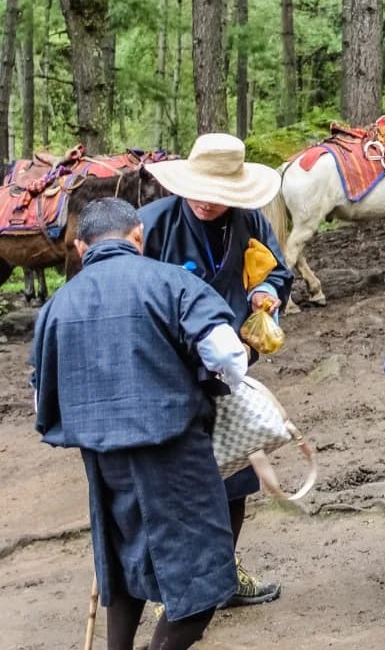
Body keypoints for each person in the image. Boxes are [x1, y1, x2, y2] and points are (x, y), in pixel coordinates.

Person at [31, 198, 248, 650]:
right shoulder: (171, 282)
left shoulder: (55, 307)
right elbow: (227, 355)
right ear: (137, 238)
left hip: (104, 463)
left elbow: (42, 400)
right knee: (202, 587)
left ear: (79, 247)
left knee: (125, 569)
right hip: (175, 455)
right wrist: (218, 382)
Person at [140, 134, 293, 607]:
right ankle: (179, 585)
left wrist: (265, 291)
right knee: (175, 481)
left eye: (219, 193)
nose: (207, 202)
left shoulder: (249, 223)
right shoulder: (152, 226)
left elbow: (276, 272)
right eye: (200, 189)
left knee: (236, 476)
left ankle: (225, 571)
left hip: (230, 370)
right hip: (167, 374)